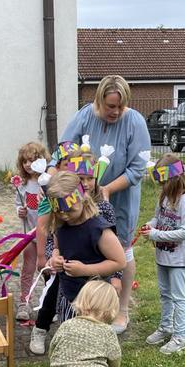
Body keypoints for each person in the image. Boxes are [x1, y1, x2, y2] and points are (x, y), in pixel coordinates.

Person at [60, 75, 151, 333]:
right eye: (111, 106)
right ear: (99, 100)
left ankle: (121, 310)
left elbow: (137, 168)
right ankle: (85, 307)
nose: (116, 112)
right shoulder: (85, 116)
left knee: (121, 250)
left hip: (120, 199)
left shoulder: (135, 122)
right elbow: (65, 150)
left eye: (121, 106)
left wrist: (107, 189)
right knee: (84, 248)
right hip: (82, 196)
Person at [47, 171, 125, 321]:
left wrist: (85, 270)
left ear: (82, 199)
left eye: (70, 210)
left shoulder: (98, 229)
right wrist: (55, 258)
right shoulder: (61, 223)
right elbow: (57, 247)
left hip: (94, 302)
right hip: (69, 296)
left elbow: (119, 262)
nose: (64, 215)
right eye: (59, 211)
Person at [141, 153, 185, 354]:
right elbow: (158, 218)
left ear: (174, 179)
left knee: (179, 297)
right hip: (162, 256)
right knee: (165, 294)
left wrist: (155, 234)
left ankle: (181, 337)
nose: (162, 187)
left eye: (164, 183)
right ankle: (166, 327)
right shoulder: (164, 198)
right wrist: (150, 225)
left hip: (178, 259)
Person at [65, 147, 124, 331]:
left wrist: (116, 277)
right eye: (80, 179)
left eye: (90, 178)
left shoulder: (103, 208)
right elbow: (54, 237)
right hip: (69, 280)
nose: (86, 184)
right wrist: (54, 256)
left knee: (96, 323)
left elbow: (115, 246)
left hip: (97, 280)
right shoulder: (65, 206)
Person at [29, 141, 79, 354]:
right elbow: (42, 226)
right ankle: (40, 328)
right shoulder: (53, 190)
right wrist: (41, 256)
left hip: (76, 246)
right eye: (68, 164)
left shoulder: (80, 187)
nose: (73, 168)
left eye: (76, 164)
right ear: (58, 166)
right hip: (54, 246)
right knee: (55, 287)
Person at [14, 141, 50, 321]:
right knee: (28, 269)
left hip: (47, 236)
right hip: (28, 235)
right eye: (25, 161)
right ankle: (24, 302)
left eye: (32, 160)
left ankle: (49, 304)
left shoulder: (48, 182)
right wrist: (19, 210)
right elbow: (18, 204)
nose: (28, 164)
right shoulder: (22, 184)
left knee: (47, 269)